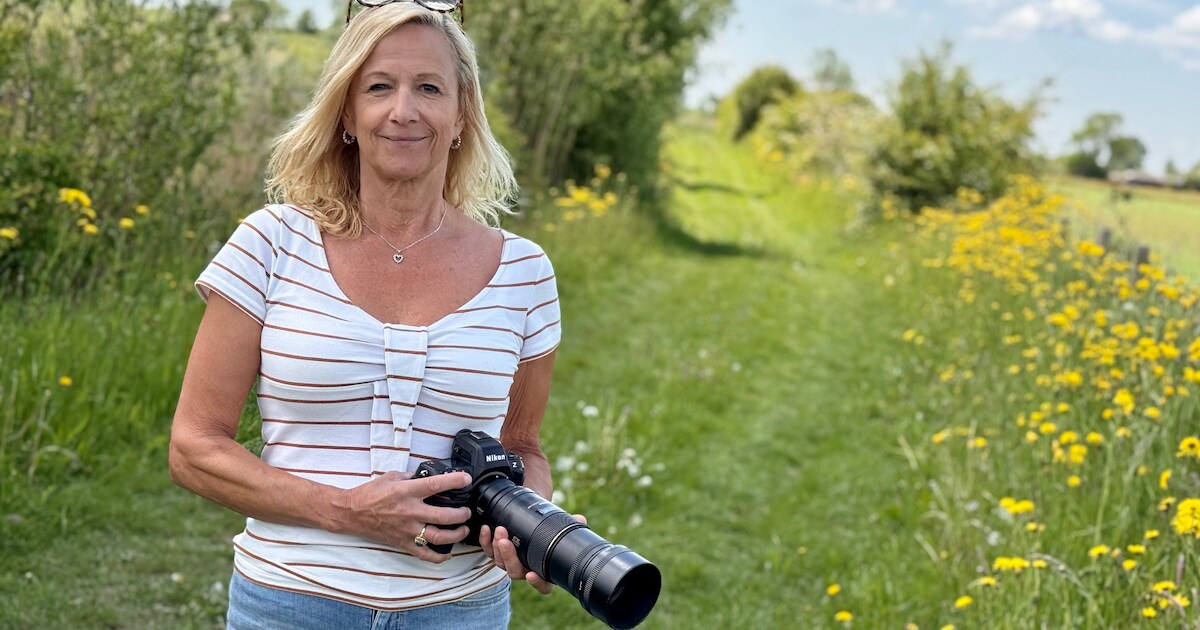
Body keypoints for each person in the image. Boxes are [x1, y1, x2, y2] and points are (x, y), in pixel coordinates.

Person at [168, 2, 563, 627]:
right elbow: (193, 448)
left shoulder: (525, 271)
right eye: (379, 87)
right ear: (348, 114)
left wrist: (532, 521)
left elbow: (524, 447)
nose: (403, 110)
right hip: (289, 603)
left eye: (429, 88)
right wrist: (344, 509)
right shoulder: (272, 242)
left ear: (461, 115)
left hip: (460, 611)